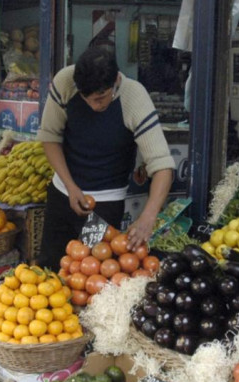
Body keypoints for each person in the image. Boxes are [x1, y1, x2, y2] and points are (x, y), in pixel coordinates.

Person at [36, 47, 175, 271]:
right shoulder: (65, 82)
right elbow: (50, 137)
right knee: (50, 269)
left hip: (106, 204)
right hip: (63, 194)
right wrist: (71, 187)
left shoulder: (134, 97)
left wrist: (148, 216)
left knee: (92, 278)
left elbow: (162, 167)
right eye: (87, 98)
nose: (95, 105)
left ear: (116, 80)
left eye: (101, 98)